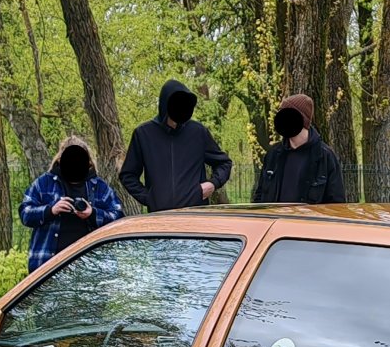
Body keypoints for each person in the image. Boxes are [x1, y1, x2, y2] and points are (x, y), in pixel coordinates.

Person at [119, 79, 233, 212]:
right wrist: (149, 197)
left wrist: (213, 184)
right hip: (160, 216)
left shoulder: (198, 132)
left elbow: (224, 163)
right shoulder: (143, 134)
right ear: (165, 106)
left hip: (195, 213)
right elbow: (128, 175)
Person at [18, 136, 124, 273]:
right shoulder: (43, 184)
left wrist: (92, 214)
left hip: (92, 267)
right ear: (60, 161)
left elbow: (119, 217)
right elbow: (25, 213)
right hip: (48, 265)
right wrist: (51, 210)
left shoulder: (99, 187)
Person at [252, 94, 347, 204]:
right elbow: (260, 197)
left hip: (307, 221)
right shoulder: (273, 155)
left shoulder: (325, 157)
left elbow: (336, 204)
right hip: (276, 220)